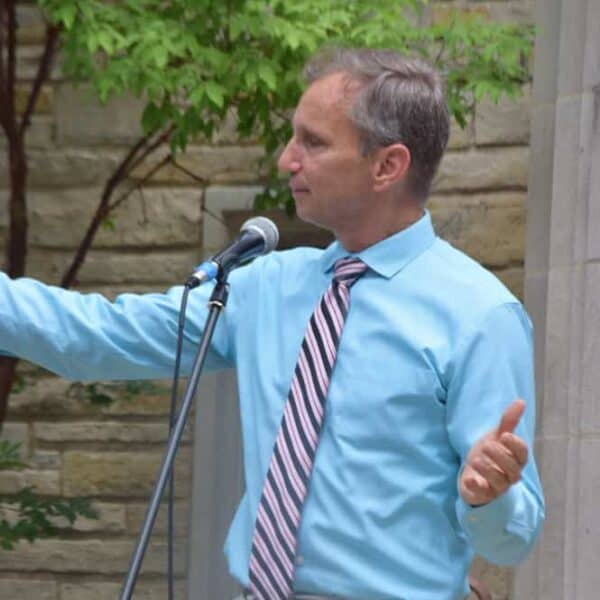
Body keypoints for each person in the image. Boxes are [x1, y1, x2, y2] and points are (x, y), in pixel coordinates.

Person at [0, 48, 544, 599]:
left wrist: (488, 497)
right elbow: (97, 336)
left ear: (388, 165)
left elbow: (512, 542)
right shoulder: (264, 286)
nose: (287, 159)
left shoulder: (481, 316)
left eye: (313, 141)